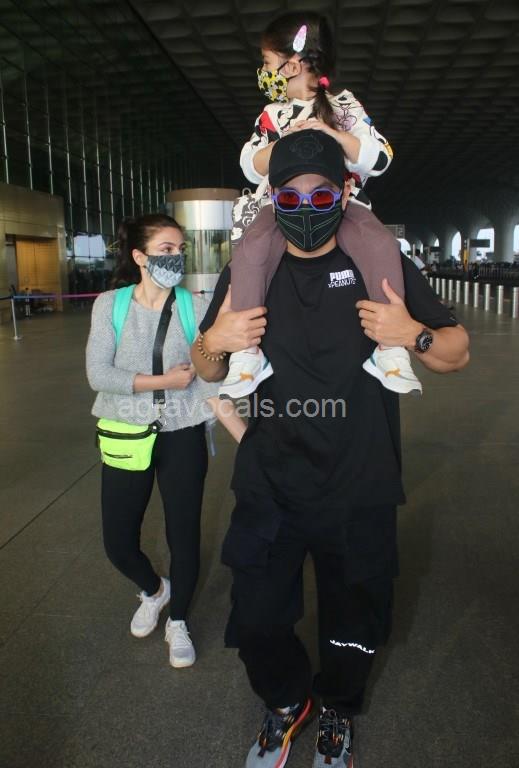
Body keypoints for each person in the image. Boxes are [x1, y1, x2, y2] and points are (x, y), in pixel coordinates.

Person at [192, 130, 469, 767]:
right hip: (270, 480)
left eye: (321, 195)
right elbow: (207, 367)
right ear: (272, 198)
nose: (306, 207)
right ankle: (288, 701)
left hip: (359, 482)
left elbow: (456, 352)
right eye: (290, 196)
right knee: (257, 620)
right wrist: (215, 342)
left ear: (344, 193)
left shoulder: (380, 266)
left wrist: (413, 334)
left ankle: (338, 705)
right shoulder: (249, 270)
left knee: (355, 624)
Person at [219, 10, 422, 401]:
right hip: (283, 207)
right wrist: (285, 144)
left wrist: (332, 135)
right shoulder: (272, 116)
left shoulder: (344, 106)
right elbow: (249, 164)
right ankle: (246, 354)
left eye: (267, 62)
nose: (264, 71)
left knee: (380, 244)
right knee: (251, 248)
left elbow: (380, 157)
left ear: (292, 64)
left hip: (339, 205)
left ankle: (391, 349)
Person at [86, 213, 245, 669]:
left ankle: (178, 620)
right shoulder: (110, 305)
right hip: (127, 431)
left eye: (181, 250)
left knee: (183, 535)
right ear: (140, 257)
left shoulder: (194, 306)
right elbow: (98, 374)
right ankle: (155, 590)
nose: (176, 258)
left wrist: (248, 440)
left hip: (183, 433)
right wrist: (163, 382)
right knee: (118, 543)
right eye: (166, 250)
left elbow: (211, 384)